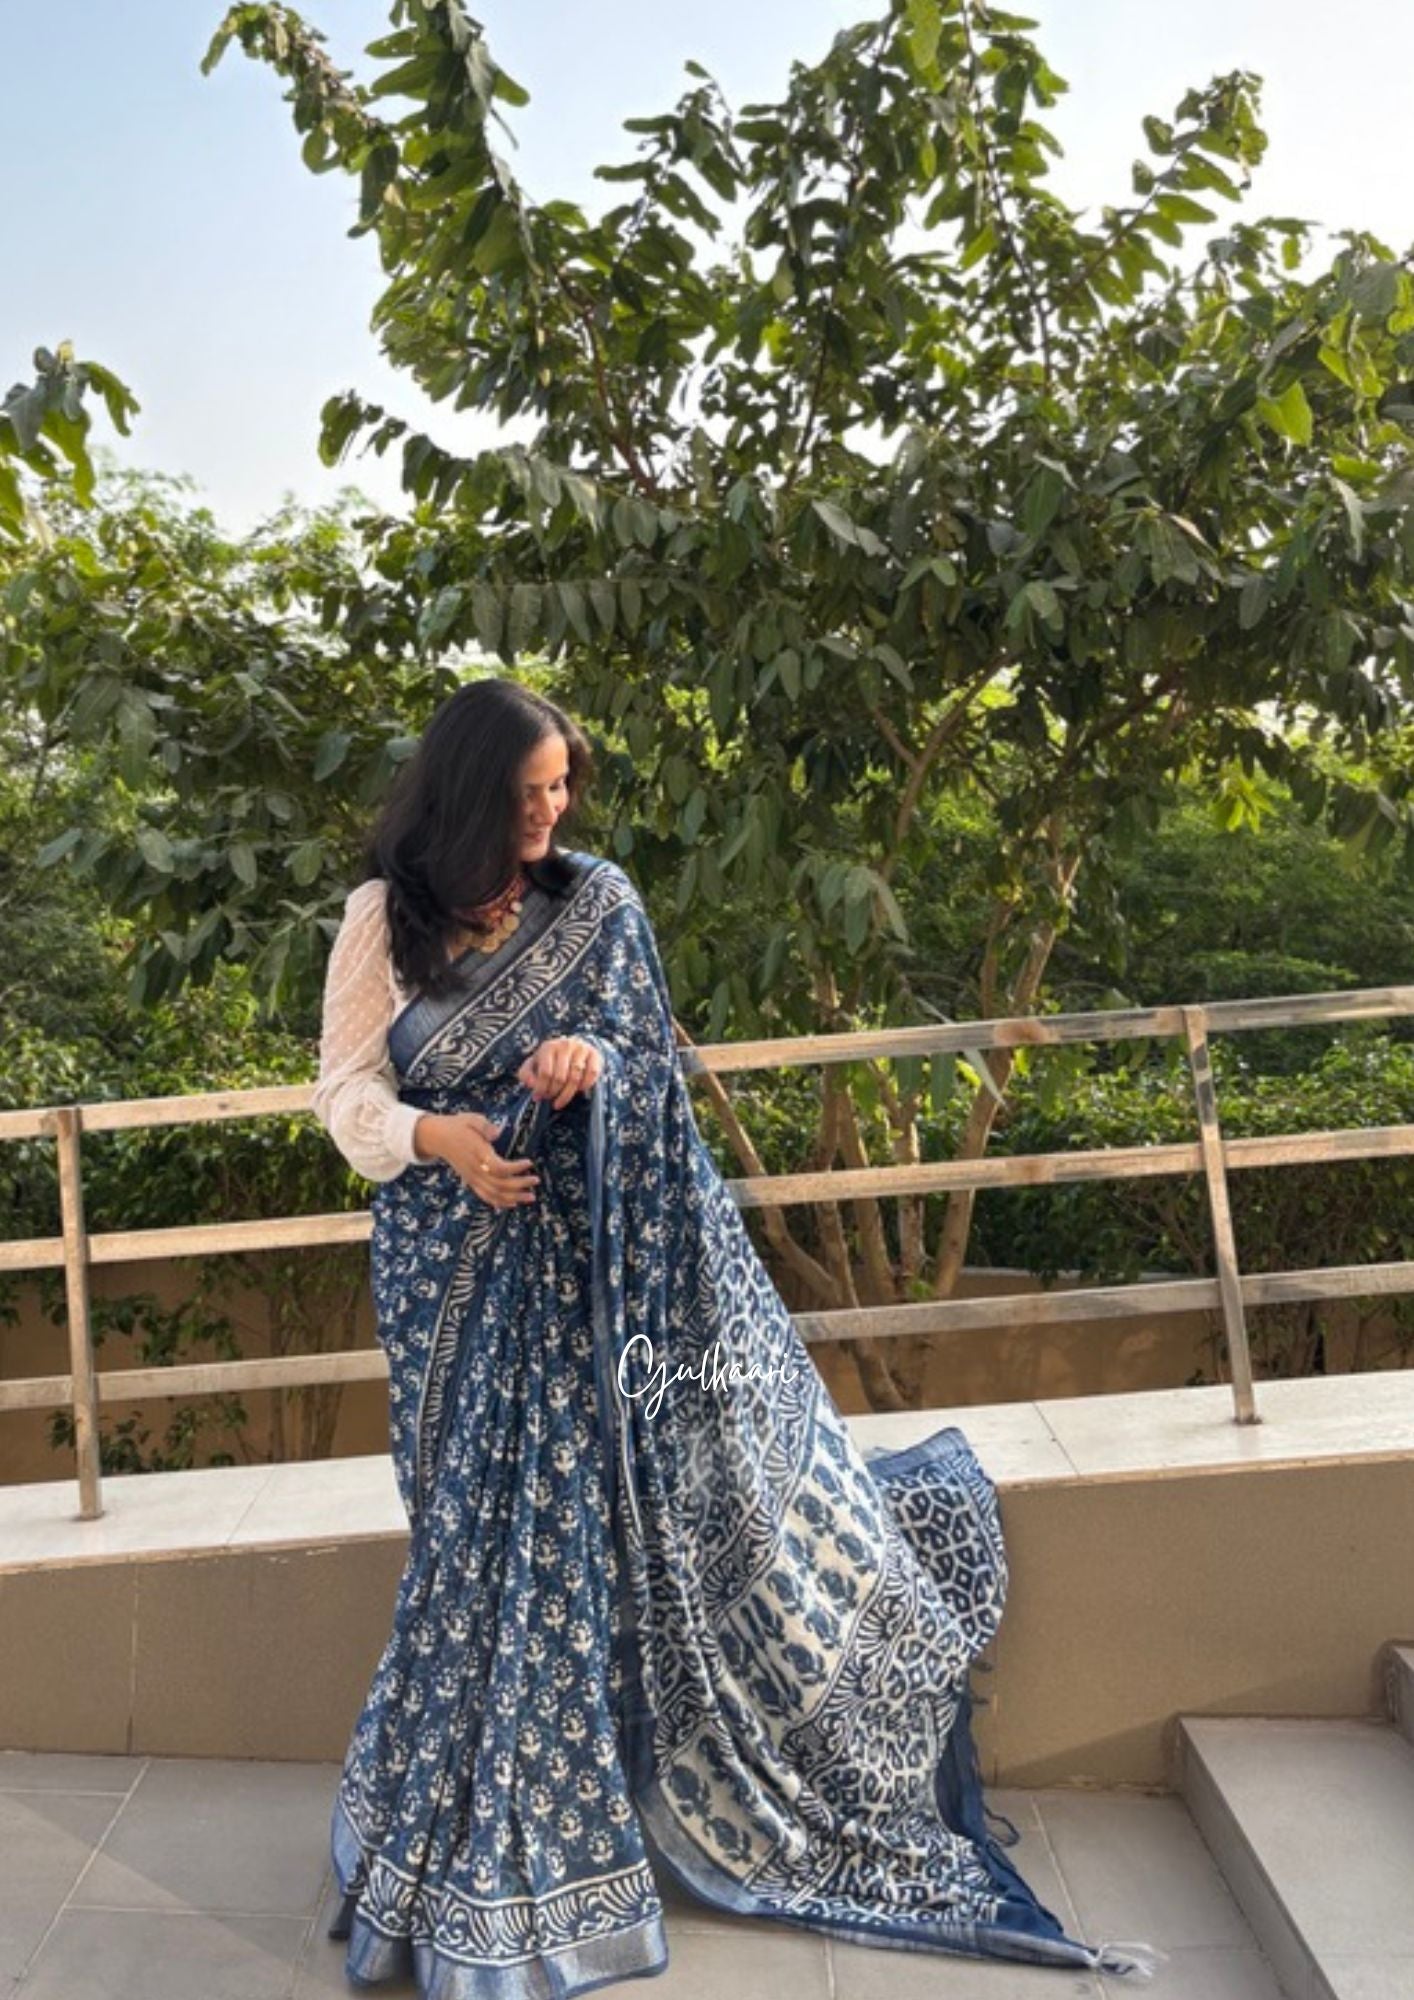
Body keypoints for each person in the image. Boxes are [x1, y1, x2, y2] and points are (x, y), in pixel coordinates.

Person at [309, 675, 1160, 1995]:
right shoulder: (383, 918)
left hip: (594, 1284)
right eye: (528, 792)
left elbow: (649, 1060)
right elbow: (345, 1092)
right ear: (468, 795)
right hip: (453, 1281)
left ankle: (557, 1838)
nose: (551, 813)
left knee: (567, 1546)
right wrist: (439, 1138)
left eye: (562, 788)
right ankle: (451, 1827)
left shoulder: (597, 904)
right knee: (473, 1551)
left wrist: (589, 1063)